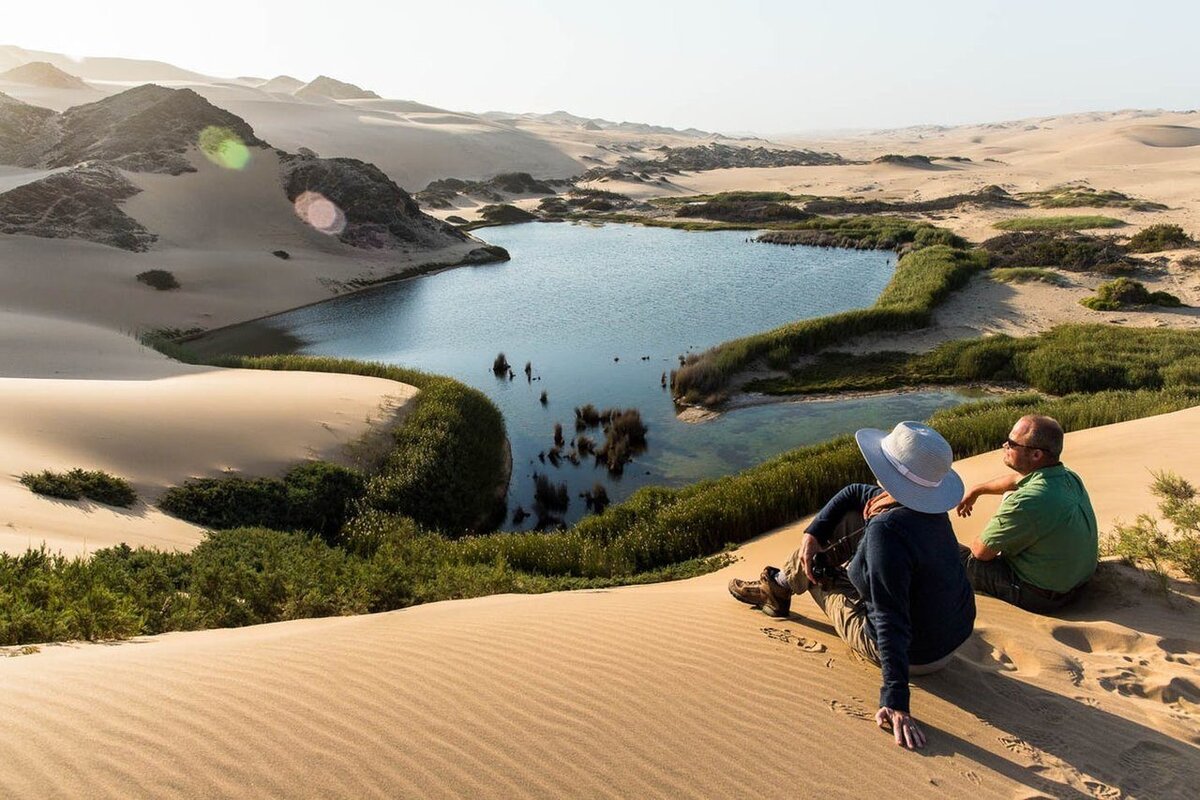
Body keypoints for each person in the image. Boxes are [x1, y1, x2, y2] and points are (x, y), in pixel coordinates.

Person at [728, 421, 976, 750]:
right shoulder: (926, 509)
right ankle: (779, 583)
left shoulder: (886, 531)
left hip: (917, 655)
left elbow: (890, 618)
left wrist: (896, 699)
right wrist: (813, 533)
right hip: (948, 641)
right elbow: (853, 492)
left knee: (812, 565)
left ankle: (777, 587)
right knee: (838, 528)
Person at [956, 414, 1097, 612]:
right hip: (1076, 584)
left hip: (1041, 595)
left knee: (951, 553)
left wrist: (996, 526)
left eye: (1012, 443)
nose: (1005, 445)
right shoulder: (1067, 477)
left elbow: (981, 553)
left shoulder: (1028, 500)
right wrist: (977, 490)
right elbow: (1015, 481)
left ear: (1036, 455)